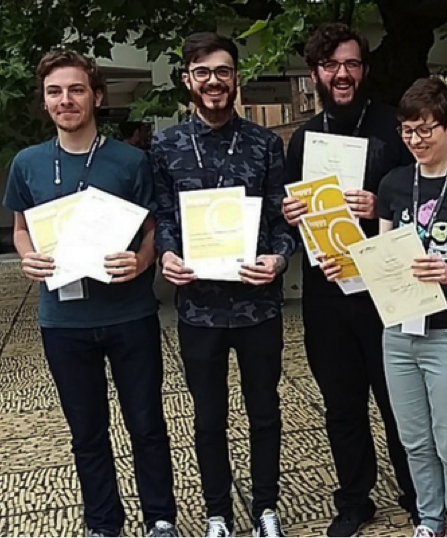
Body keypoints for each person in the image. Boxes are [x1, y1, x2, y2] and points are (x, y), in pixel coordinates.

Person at [2, 50, 178, 538]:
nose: (66, 100)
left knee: (146, 424)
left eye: (76, 89)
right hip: (63, 322)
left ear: (96, 96)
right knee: (87, 433)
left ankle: (160, 517)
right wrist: (27, 256)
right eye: (55, 91)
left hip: (129, 315)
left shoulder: (131, 160)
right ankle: (103, 523)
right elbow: (20, 228)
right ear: (44, 101)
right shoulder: (28, 163)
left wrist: (143, 261)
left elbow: (153, 228)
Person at [322, 78, 447, 538]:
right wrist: (344, 264)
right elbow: (382, 253)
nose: (417, 140)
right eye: (407, 131)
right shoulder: (395, 183)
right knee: (414, 440)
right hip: (398, 330)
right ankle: (430, 519)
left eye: (426, 130)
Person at [151, 32, 296, 538]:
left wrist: (279, 260)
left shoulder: (263, 143)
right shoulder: (166, 144)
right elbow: (164, 216)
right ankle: (217, 513)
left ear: (237, 79)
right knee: (208, 417)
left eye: (223, 72)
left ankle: (266, 509)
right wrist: (167, 254)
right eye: (203, 72)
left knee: (265, 413)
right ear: (188, 79)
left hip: (259, 306)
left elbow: (283, 220)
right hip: (199, 310)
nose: (214, 82)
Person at [281, 22, 418, 537]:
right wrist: (291, 214)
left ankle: (415, 490)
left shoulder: (392, 127)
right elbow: (288, 218)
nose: (343, 74)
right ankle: (355, 499)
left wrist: (384, 205)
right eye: (332, 65)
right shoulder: (302, 140)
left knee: (398, 399)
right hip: (327, 288)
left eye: (352, 64)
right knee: (341, 403)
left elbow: (424, 203)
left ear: (364, 68)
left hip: (386, 286)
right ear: (316, 72)